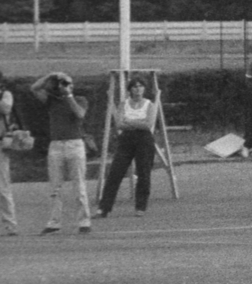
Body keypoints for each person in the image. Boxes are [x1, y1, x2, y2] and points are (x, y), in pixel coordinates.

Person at [31, 72, 92, 233]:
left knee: (79, 185)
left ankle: (84, 221)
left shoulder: (80, 100)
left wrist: (69, 95)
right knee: (55, 187)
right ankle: (54, 222)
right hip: (56, 145)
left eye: (68, 83)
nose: (64, 85)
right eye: (63, 83)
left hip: (75, 144)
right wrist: (51, 75)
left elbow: (80, 114)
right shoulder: (51, 101)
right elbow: (35, 88)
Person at [96, 76, 160, 219]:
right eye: (135, 86)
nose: (138, 89)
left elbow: (148, 124)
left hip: (144, 139)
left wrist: (129, 121)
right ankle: (104, 207)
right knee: (115, 173)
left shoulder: (149, 104)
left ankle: (140, 207)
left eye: (140, 86)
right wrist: (136, 122)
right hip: (126, 139)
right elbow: (119, 124)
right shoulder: (123, 104)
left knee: (143, 173)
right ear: (130, 89)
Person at [0, 69, 17, 236]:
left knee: (3, 187)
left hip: (1, 145)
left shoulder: (6, 95)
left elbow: (6, 108)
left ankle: (10, 224)